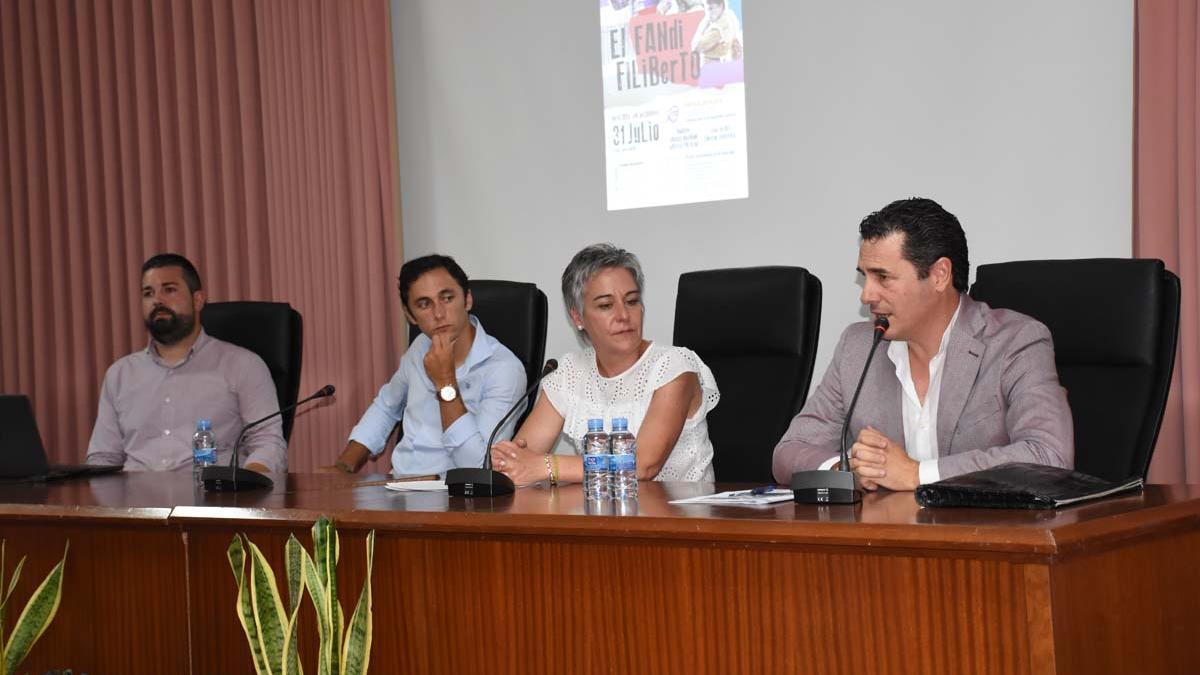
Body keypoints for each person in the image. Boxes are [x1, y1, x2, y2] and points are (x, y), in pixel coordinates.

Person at [772, 198, 1074, 491]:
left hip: (990, 537)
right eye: (865, 277)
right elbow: (788, 453)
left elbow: (1049, 456)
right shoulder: (857, 347)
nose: (866, 295)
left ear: (939, 275)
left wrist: (918, 474)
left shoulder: (1015, 342)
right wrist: (845, 470)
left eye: (883, 277)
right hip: (891, 537)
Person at [491, 243, 720, 484]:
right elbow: (521, 461)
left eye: (631, 301)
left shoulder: (674, 366)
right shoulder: (569, 372)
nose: (623, 315)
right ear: (577, 317)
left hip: (681, 517)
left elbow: (643, 465)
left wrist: (548, 465)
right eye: (605, 305)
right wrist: (509, 460)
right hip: (604, 516)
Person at [87, 254, 286, 473]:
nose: (157, 300)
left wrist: (248, 488)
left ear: (198, 300)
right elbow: (104, 457)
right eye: (148, 293)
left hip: (212, 501)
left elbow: (268, 443)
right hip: (134, 503)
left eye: (169, 289)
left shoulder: (242, 365)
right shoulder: (120, 374)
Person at [335, 255, 527, 476]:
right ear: (410, 315)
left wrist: (445, 382)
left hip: (453, 496)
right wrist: (344, 466)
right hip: (397, 486)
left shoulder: (504, 369)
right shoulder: (420, 346)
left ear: (467, 300)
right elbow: (386, 406)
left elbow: (478, 467)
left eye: (447, 298)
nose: (438, 314)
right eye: (424, 304)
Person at [690, 0, 742, 65]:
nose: (708, 13)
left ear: (721, 6)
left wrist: (704, 52)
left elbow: (697, 47)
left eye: (711, 9)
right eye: (706, 9)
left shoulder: (722, 23)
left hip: (720, 67)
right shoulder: (716, 19)